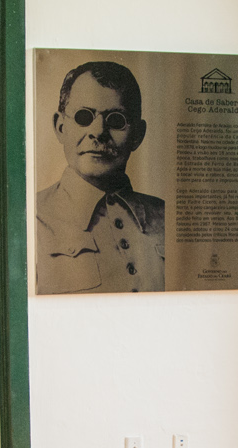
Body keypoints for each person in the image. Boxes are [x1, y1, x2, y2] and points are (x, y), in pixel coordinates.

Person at [36, 61, 165, 294]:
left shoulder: (166, 215)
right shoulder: (33, 217)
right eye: (84, 117)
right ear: (60, 127)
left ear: (138, 134)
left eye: (116, 120)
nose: (98, 132)